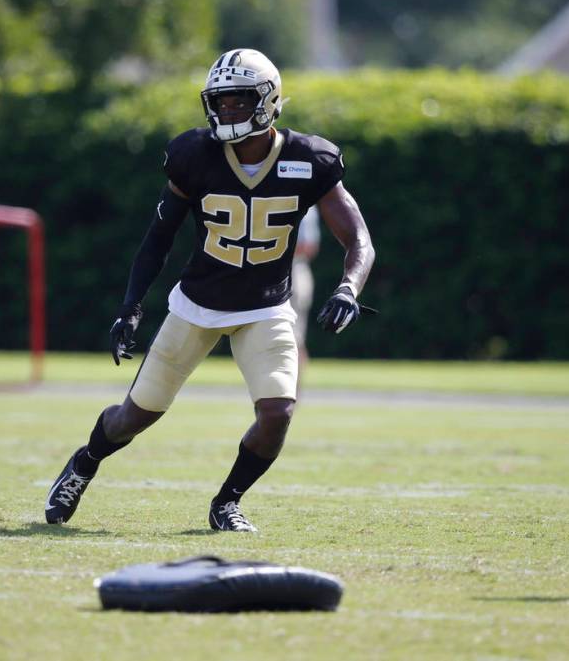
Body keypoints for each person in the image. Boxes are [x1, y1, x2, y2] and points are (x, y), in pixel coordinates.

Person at [45, 48, 375, 532]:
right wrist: (130, 306)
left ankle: (227, 502)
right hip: (196, 305)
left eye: (241, 101)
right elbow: (158, 237)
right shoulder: (194, 155)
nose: (229, 112)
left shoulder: (311, 158)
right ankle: (85, 462)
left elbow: (359, 239)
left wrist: (347, 288)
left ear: (269, 101)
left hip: (267, 307)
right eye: (221, 102)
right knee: (132, 419)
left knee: (278, 412)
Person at [290, 206, 320, 368]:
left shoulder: (306, 204)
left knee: (293, 338)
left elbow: (308, 247)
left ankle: (292, 393)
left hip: (293, 269)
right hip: (271, 271)